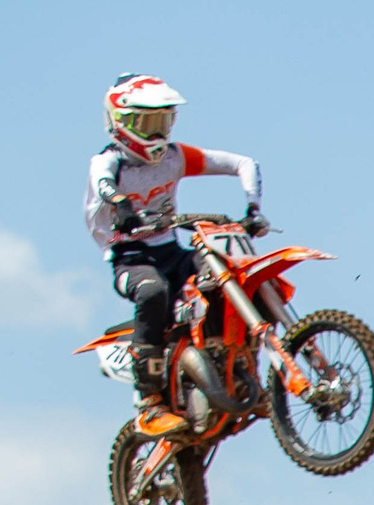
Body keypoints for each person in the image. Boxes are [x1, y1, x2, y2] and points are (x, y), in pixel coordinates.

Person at [83, 74, 266, 437]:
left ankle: (247, 375)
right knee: (153, 292)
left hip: (173, 250)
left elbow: (244, 163)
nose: (156, 134)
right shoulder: (110, 162)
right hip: (130, 257)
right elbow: (103, 184)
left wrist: (253, 207)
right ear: (119, 122)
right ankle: (148, 403)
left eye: (163, 122)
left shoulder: (175, 157)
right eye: (146, 124)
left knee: (233, 276)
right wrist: (119, 203)